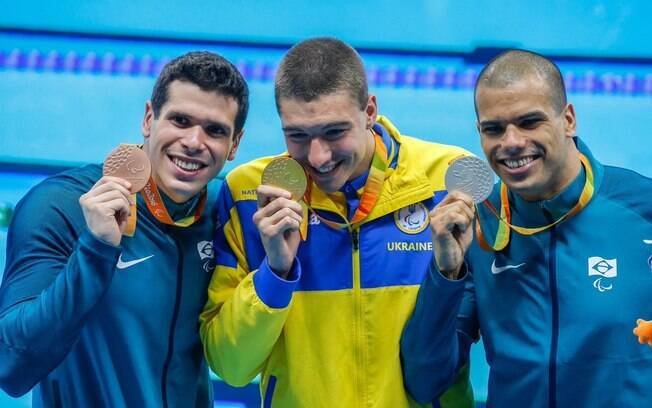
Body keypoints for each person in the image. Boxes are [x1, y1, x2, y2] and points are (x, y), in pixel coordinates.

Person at [199, 37, 473, 407]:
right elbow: (231, 366)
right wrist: (275, 272)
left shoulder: (448, 180)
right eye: (297, 135)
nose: (318, 156)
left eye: (334, 132)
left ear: (370, 110)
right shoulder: (250, 195)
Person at [400, 49, 652, 406]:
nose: (512, 142)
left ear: (568, 119)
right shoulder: (477, 225)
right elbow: (426, 381)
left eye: (530, 122)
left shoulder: (642, 209)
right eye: (494, 128)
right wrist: (446, 273)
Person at [0, 51, 249, 406]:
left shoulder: (224, 216)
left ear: (235, 144)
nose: (194, 142)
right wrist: (96, 248)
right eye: (180, 120)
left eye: (214, 130)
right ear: (149, 119)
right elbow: (11, 364)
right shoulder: (60, 205)